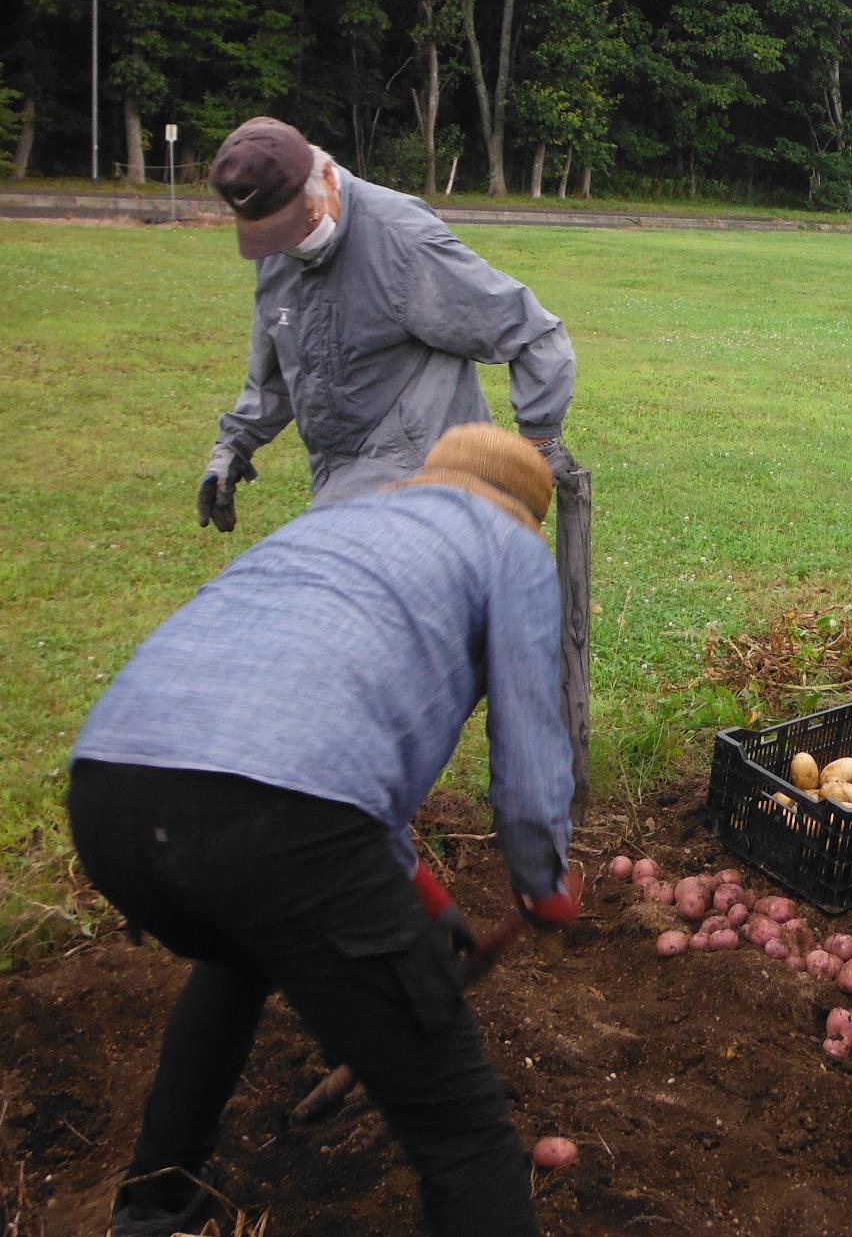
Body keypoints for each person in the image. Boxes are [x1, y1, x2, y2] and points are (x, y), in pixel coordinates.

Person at [70, 424, 583, 1237]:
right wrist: (543, 885)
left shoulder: (336, 526)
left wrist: (420, 901)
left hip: (112, 795)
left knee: (236, 959)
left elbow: (300, 737)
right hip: (277, 824)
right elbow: (527, 760)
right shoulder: (511, 551)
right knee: (464, 1137)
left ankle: (155, 1201)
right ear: (527, 513)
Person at [196, 116, 578, 532]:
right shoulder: (280, 247)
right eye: (274, 236)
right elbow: (277, 370)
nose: (290, 244)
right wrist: (233, 447)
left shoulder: (403, 244)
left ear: (324, 176)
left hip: (427, 490)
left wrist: (540, 442)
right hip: (338, 478)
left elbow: (531, 331)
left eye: (298, 224)